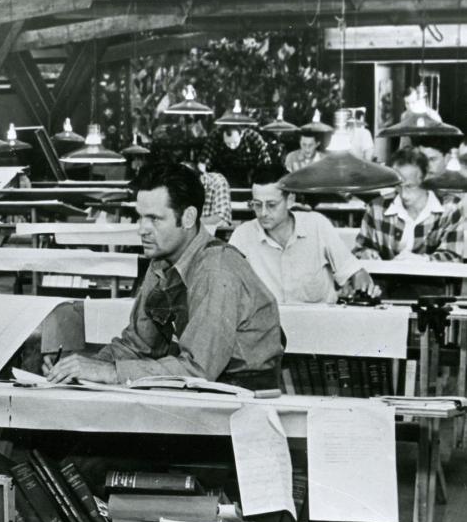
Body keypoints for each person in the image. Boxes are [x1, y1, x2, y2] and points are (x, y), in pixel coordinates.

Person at [44, 163, 284, 390]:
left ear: (188, 218)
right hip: (211, 390)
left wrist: (109, 372)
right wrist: (78, 367)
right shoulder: (162, 261)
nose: (141, 229)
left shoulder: (216, 269)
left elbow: (198, 370)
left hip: (244, 398)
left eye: (155, 219)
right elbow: (138, 346)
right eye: (140, 217)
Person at [229, 164, 377, 303]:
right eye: (257, 204)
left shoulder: (317, 226)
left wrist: (363, 285)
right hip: (267, 326)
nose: (263, 213)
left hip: (317, 324)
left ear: (290, 200)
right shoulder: (243, 236)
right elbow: (225, 284)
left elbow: (354, 272)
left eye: (271, 205)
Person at [355, 147, 467, 262]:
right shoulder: (376, 208)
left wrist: (422, 261)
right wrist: (366, 254)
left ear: (425, 179)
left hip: (431, 279)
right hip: (385, 279)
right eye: (398, 186)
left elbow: (453, 257)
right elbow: (359, 251)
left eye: (410, 186)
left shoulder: (451, 208)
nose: (403, 195)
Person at [202, 125, 274, 187]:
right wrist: (204, 178)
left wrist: (262, 185)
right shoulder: (215, 136)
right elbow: (203, 161)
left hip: (250, 174)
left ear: (241, 134)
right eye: (228, 143)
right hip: (224, 173)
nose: (231, 147)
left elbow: (266, 165)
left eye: (235, 142)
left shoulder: (254, 137)